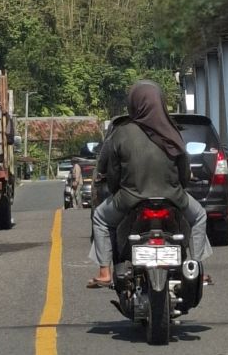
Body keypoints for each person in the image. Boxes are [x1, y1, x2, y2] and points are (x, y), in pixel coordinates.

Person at [87, 79, 212, 289]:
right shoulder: (172, 131)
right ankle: (197, 267)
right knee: (199, 216)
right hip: (172, 197)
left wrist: (118, 190)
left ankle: (104, 271)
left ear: (134, 104)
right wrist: (177, 189)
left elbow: (113, 173)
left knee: (100, 217)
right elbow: (183, 173)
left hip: (130, 199)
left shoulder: (121, 134)